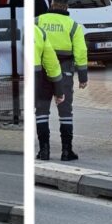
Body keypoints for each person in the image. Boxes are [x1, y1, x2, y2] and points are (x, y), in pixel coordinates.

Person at [38, 0, 88, 161]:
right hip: (64, 72)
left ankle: (44, 151)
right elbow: (80, 52)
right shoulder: (73, 25)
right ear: (66, 7)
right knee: (65, 112)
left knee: (41, 112)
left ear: (51, 5)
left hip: (42, 73)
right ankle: (67, 152)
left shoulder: (37, 21)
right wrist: (83, 76)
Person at [34, 25, 63, 160]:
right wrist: (59, 90)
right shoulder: (38, 32)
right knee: (41, 114)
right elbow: (52, 63)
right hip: (39, 78)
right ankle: (44, 150)